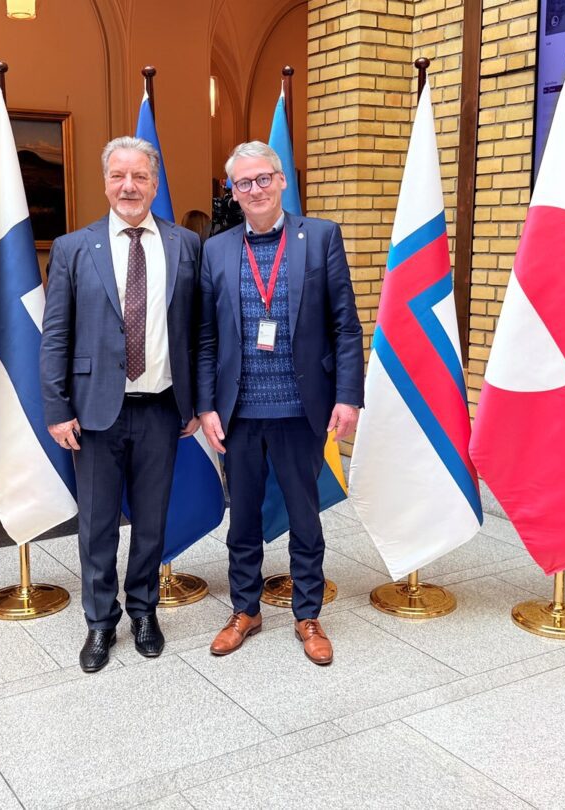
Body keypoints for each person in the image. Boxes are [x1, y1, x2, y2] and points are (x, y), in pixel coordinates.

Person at [197, 142, 363, 666]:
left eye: (264, 178)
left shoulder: (321, 237)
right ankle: (244, 610)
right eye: (244, 183)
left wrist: (348, 396)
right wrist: (206, 406)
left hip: (301, 409)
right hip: (239, 413)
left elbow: (346, 326)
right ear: (233, 192)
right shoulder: (216, 250)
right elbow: (205, 336)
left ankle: (307, 614)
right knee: (242, 519)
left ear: (282, 179)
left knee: (305, 518)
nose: (256, 189)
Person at [40, 136, 201, 673]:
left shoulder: (185, 245)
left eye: (140, 177)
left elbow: (198, 332)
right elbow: (56, 335)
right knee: (97, 524)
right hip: (93, 412)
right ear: (105, 182)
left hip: (161, 408)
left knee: (152, 521)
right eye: (118, 176)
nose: (129, 186)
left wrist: (196, 402)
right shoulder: (73, 248)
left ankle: (144, 611)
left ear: (154, 184)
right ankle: (100, 621)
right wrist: (57, 408)